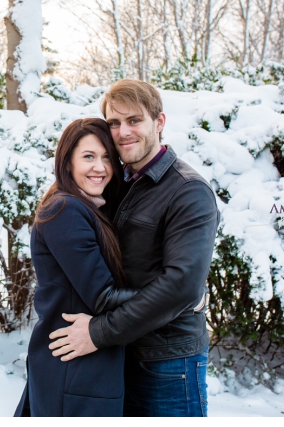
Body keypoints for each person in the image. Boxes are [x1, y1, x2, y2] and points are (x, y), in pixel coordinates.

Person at [47, 79, 219, 417]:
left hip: (168, 361)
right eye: (114, 123)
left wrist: (99, 332)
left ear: (159, 122)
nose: (123, 132)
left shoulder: (188, 191)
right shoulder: (114, 184)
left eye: (134, 120)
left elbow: (180, 285)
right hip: (117, 357)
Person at [13, 118, 138, 417]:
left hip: (85, 365)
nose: (100, 167)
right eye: (88, 157)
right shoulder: (65, 210)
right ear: (66, 162)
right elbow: (103, 297)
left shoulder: (88, 208)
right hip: (76, 370)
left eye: (107, 157)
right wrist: (172, 297)